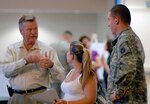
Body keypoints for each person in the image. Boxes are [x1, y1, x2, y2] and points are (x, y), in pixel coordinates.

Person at [0, 15, 65, 104]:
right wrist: (25, 61)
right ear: (21, 31)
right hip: (16, 98)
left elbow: (61, 77)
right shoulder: (11, 49)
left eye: (36, 29)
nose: (33, 32)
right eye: (29, 29)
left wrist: (51, 65)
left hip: (40, 98)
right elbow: (6, 72)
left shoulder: (48, 50)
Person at [107, 4, 147, 104]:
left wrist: (117, 93)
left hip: (129, 100)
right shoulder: (125, 39)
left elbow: (128, 70)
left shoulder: (126, 40)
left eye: (109, 20)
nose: (108, 24)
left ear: (116, 20)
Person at [50, 30, 73, 98]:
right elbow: (70, 63)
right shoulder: (68, 46)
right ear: (69, 37)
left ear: (63, 36)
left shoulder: (51, 45)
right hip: (65, 74)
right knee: (63, 96)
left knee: (54, 97)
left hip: (53, 74)